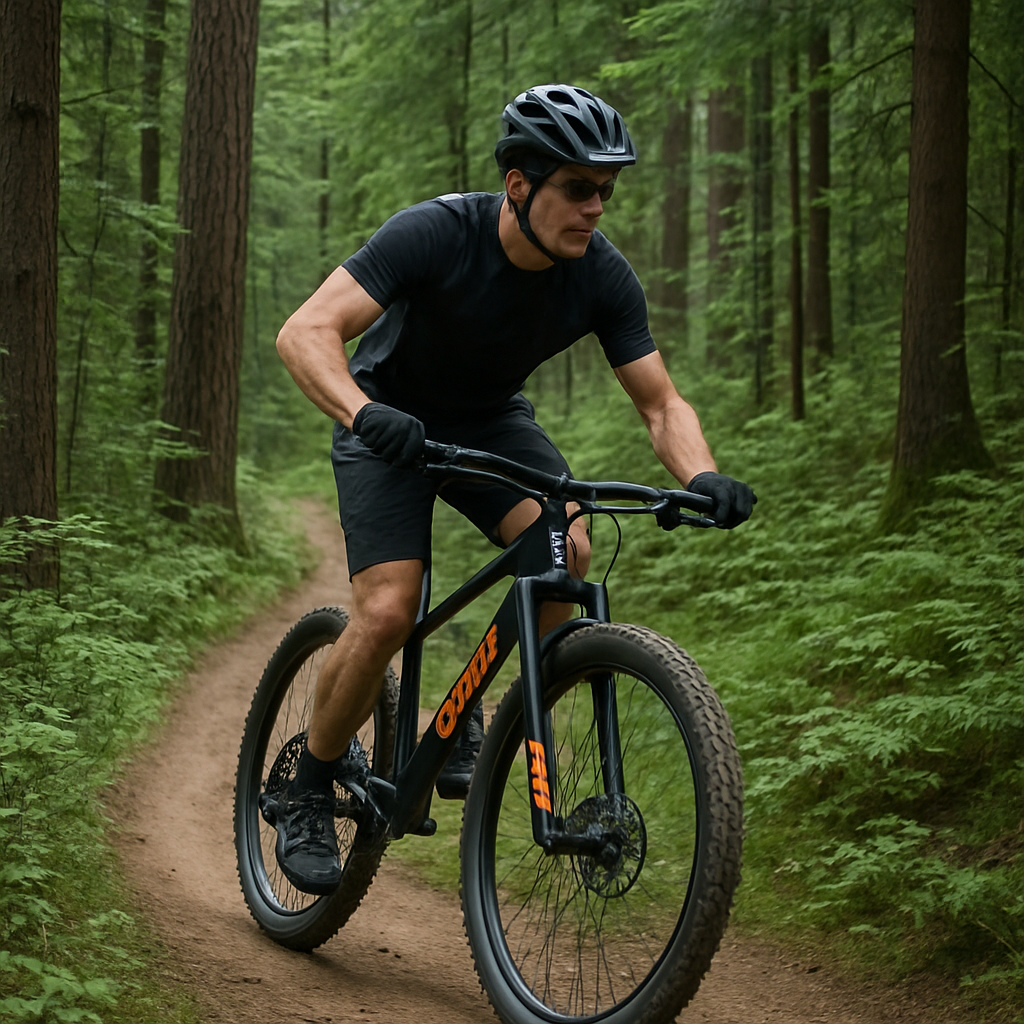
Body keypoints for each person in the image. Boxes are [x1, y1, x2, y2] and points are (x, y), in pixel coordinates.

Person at [268, 83, 756, 895]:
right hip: (390, 423)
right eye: (577, 188)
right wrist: (362, 413)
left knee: (568, 549)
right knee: (390, 608)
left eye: (606, 190)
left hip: (490, 422)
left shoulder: (600, 275)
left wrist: (701, 475)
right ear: (520, 184)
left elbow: (661, 402)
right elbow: (305, 332)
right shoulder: (436, 233)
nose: (596, 207)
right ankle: (308, 788)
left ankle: (466, 720)